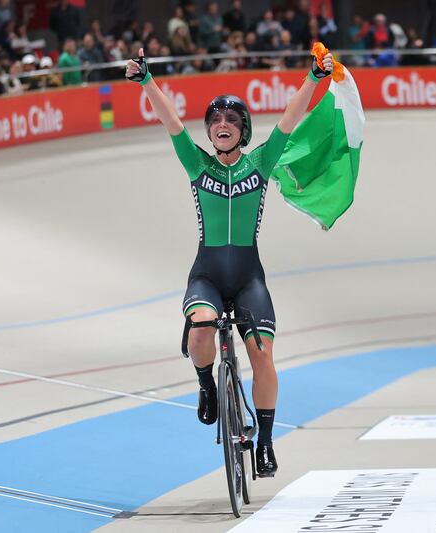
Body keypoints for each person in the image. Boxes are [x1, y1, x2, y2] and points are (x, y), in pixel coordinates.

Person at [124, 46, 333, 478]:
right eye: (216, 120)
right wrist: (147, 80)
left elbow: (289, 119)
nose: (222, 124)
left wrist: (313, 77)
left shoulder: (262, 161)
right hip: (208, 276)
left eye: (232, 120)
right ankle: (207, 387)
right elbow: (171, 122)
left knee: (263, 357)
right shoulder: (197, 163)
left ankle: (266, 442)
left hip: (248, 278)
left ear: (244, 131)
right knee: (201, 330)